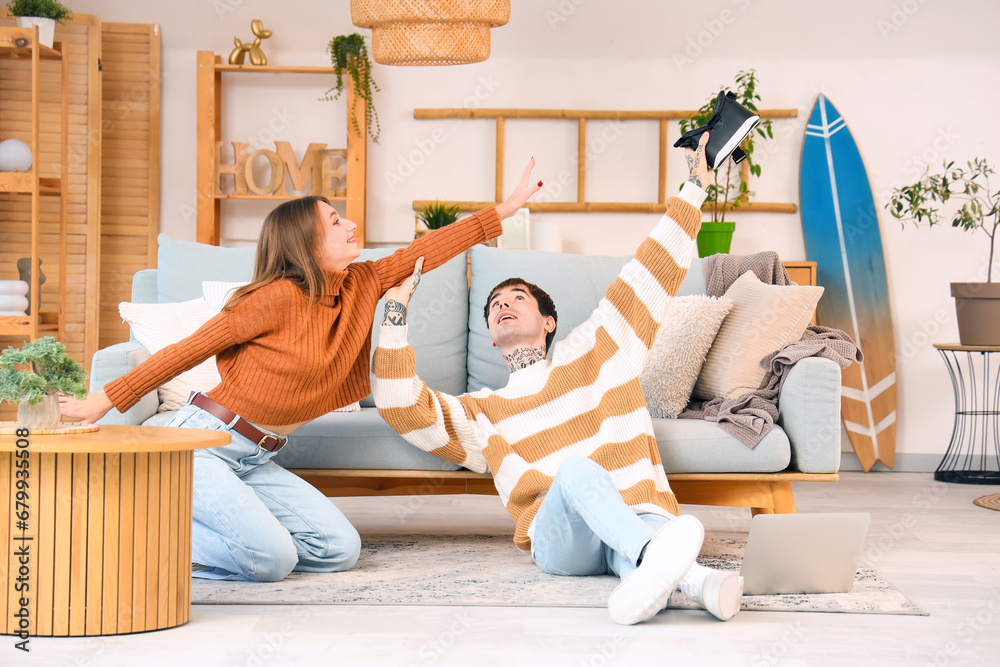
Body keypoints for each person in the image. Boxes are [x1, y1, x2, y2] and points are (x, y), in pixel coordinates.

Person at [58, 160, 543, 582]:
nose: (351, 224)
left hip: (257, 456)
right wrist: (102, 400)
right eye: (335, 221)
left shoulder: (362, 283)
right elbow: (186, 350)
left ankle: (223, 534)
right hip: (203, 446)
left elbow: (428, 250)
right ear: (307, 243)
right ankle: (137, 533)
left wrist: (502, 211)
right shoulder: (273, 298)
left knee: (339, 550)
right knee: (272, 561)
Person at [372, 134, 743, 624]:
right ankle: (663, 563)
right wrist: (394, 310)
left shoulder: (601, 345)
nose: (503, 305)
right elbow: (400, 405)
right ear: (491, 339)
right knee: (575, 472)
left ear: (549, 322)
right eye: (495, 305)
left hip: (636, 512)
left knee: (642, 540)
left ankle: (696, 584)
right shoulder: (482, 413)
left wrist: (695, 185)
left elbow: (651, 272)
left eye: (517, 298)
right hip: (562, 541)